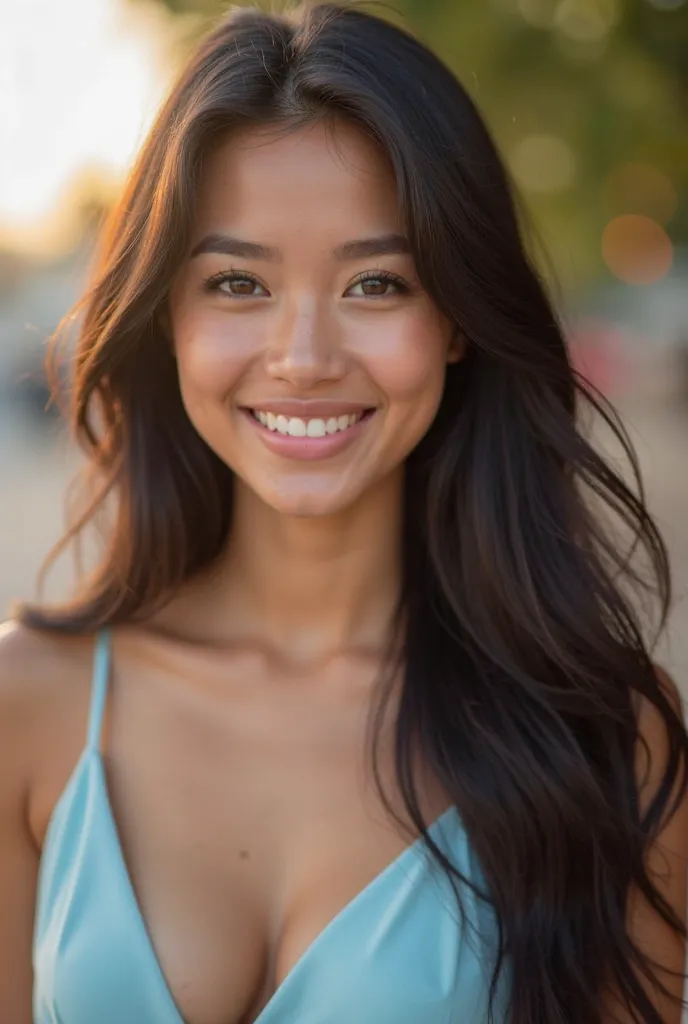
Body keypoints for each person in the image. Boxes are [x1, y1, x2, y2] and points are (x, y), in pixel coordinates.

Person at [1, 3, 686, 1022]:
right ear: (168, 320)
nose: (306, 356)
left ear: (455, 318)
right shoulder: (26, 704)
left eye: (376, 282)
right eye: (237, 282)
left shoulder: (603, 745)